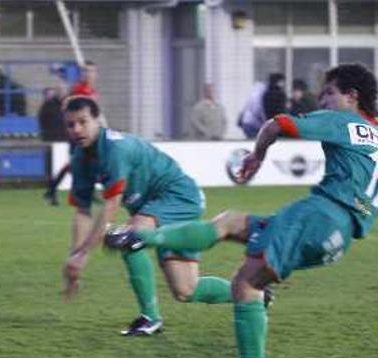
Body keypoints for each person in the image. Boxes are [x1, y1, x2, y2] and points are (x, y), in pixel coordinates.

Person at [105, 64, 378, 358]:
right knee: (229, 223)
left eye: (329, 93)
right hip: (338, 234)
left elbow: (277, 124)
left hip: (317, 216)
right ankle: (140, 237)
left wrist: (257, 156)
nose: (323, 99)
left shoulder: (346, 121)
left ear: (352, 97)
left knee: (246, 283)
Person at [62, 96, 266, 336]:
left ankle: (150, 318)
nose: (76, 129)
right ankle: (257, 294)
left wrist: (84, 253)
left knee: (129, 236)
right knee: (186, 290)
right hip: (154, 209)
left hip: (179, 197)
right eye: (70, 124)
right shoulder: (80, 158)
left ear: (97, 120)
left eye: (82, 122)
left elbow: (110, 207)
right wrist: (75, 255)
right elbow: (82, 211)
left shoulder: (115, 149)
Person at [44, 61, 101, 206]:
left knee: (84, 162)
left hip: (90, 133)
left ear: (96, 74)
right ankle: (54, 190)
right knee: (78, 163)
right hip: (78, 133)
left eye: (91, 71)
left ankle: (53, 190)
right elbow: (69, 110)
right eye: (86, 71)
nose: (89, 74)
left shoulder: (92, 92)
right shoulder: (78, 90)